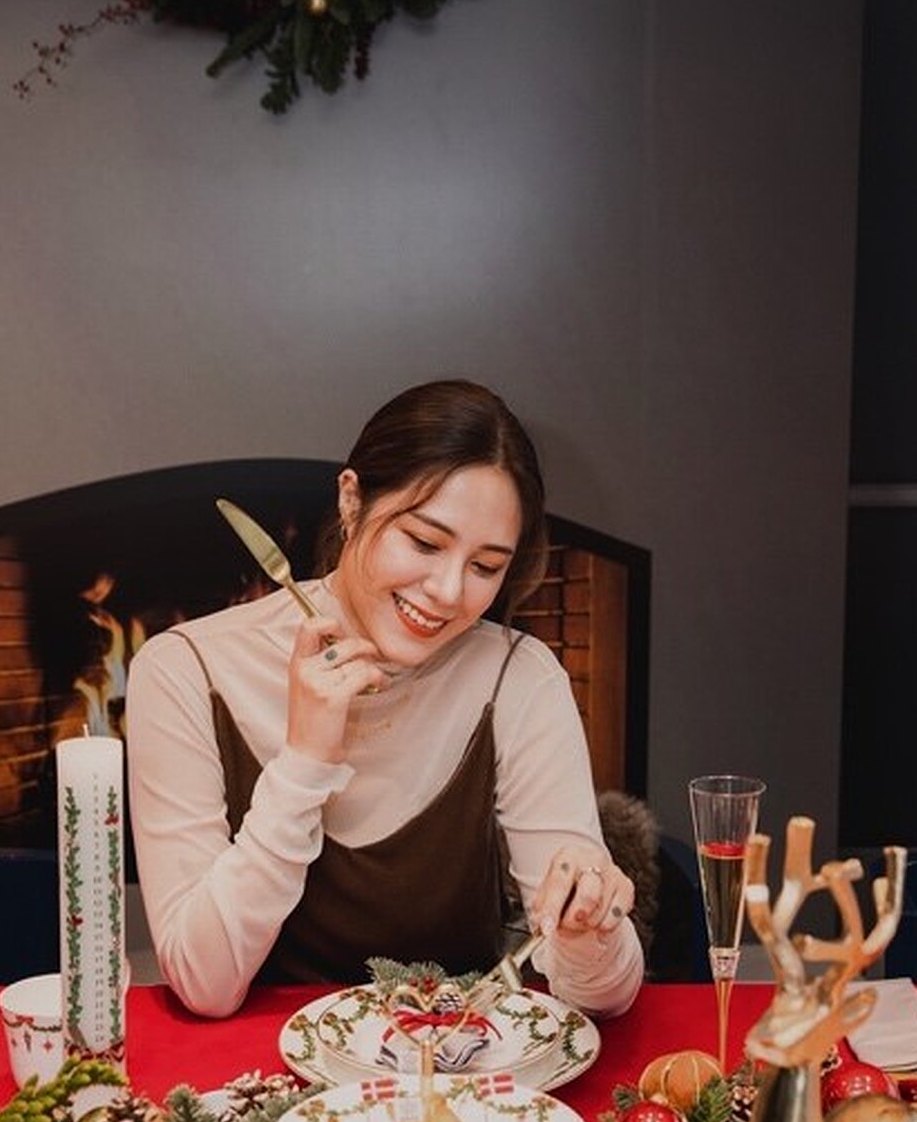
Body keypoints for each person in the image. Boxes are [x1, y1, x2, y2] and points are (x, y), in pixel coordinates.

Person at [126, 379, 645, 1018]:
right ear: (351, 501)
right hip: (252, 1072)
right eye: (424, 543)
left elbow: (605, 999)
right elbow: (204, 985)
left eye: (485, 566)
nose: (448, 592)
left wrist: (588, 929)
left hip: (454, 1065)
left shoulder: (520, 678)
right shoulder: (185, 669)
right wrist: (304, 762)